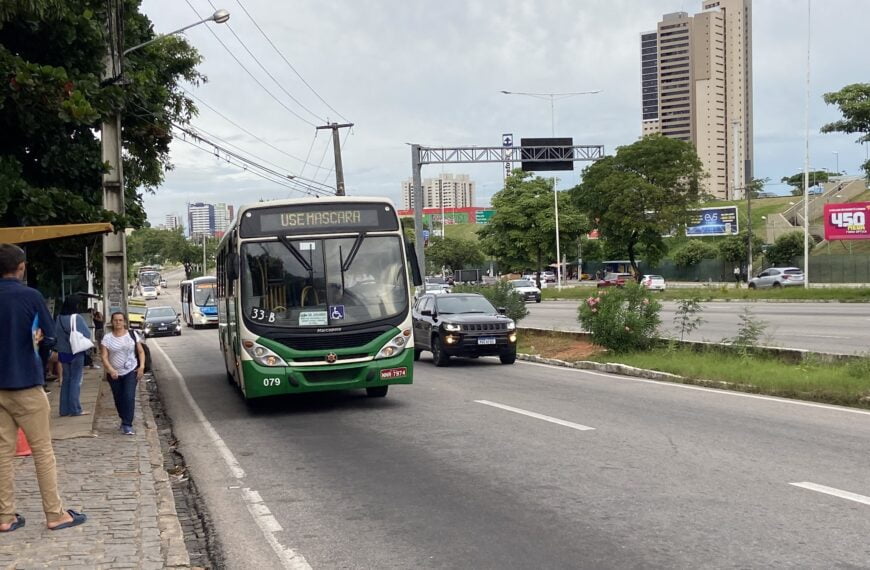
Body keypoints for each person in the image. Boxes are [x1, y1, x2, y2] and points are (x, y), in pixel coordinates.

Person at [0, 243, 86, 532]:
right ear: (21, 267)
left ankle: (5, 516)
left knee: (2, 453)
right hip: (25, 383)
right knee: (42, 451)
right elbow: (49, 338)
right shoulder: (30, 296)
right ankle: (54, 513)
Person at [100, 312, 145, 436]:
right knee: (119, 398)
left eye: (120, 320)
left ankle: (127, 424)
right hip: (114, 374)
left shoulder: (132, 335)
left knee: (129, 396)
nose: (118, 323)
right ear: (112, 322)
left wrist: (141, 366)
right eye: (115, 320)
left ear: (124, 322)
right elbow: (104, 356)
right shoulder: (107, 338)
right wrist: (110, 369)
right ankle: (123, 417)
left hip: (131, 371)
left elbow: (140, 351)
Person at [54, 295, 91, 417]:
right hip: (76, 352)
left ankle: (64, 410)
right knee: (76, 380)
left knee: (66, 380)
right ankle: (75, 409)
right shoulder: (76, 318)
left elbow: (56, 335)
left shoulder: (58, 318)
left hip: (63, 353)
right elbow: (87, 333)